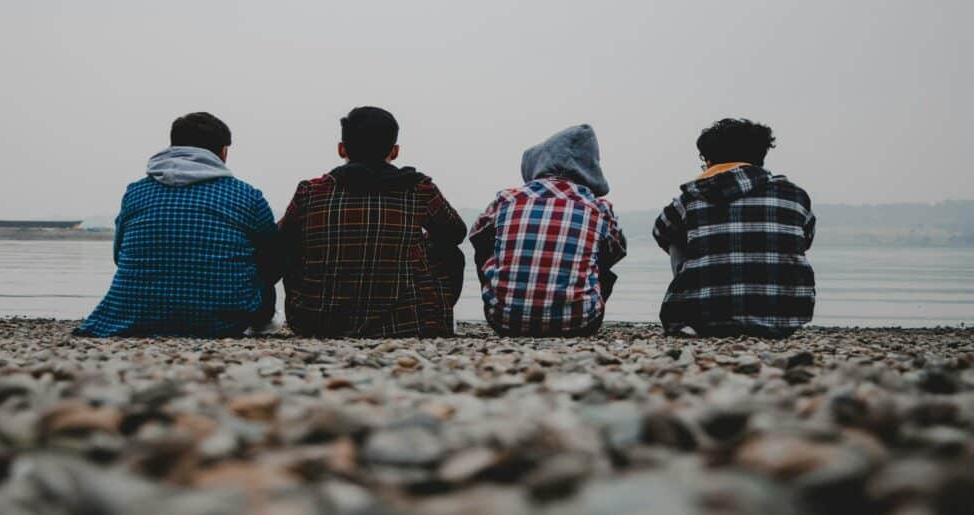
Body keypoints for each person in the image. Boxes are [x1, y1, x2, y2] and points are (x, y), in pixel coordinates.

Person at [75, 112, 282, 337]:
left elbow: (119, 255)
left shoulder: (136, 192)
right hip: (222, 321)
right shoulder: (246, 195)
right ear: (223, 152)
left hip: (136, 315)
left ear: (173, 146)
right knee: (266, 275)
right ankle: (261, 325)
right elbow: (272, 261)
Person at [278, 106, 466, 338]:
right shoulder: (417, 188)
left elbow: (279, 244)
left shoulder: (310, 191)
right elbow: (455, 233)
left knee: (289, 244)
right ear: (394, 151)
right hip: (406, 322)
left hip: (316, 322)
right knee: (450, 252)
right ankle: (436, 315)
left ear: (341, 149)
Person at [653, 118, 816, 338]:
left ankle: (689, 307)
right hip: (785, 319)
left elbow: (661, 231)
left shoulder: (691, 198)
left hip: (705, 319)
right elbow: (805, 238)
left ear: (710, 162)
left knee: (677, 236)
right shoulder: (795, 195)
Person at [470, 124, 626, 336]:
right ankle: (575, 303)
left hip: (503, 321)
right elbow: (617, 250)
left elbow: (475, 236)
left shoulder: (506, 199)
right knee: (601, 251)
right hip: (579, 324)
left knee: (487, 241)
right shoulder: (598, 209)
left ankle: (504, 299)